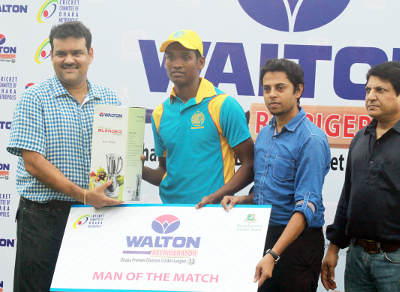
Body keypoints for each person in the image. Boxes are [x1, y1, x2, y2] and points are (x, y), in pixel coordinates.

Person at [7, 21, 122, 292]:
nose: (69, 60)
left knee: (87, 287)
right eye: (61, 53)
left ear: (90, 55)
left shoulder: (109, 99)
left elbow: (115, 155)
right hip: (42, 219)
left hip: (94, 217)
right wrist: (83, 194)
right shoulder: (34, 98)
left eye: (77, 53)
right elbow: (33, 163)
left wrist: (128, 162)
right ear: (51, 55)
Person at [321, 61, 400, 292]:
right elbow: (347, 198)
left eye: (380, 90)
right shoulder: (361, 138)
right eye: (368, 90)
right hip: (357, 259)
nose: (370, 96)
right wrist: (333, 247)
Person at [222, 58, 331, 292]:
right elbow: (270, 191)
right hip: (263, 235)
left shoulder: (311, 139)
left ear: (298, 90)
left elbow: (306, 206)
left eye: (280, 88)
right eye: (267, 89)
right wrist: (241, 199)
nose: (272, 95)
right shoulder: (264, 134)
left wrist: (273, 254)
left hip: (297, 243)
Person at [142, 29, 253, 205]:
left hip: (213, 213)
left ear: (201, 62)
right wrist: (139, 170)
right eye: (170, 57)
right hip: (170, 214)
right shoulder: (160, 113)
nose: (176, 64)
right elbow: (165, 172)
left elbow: (250, 164)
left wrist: (214, 198)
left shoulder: (224, 105)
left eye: (185, 57)